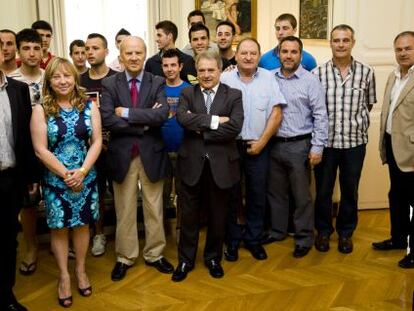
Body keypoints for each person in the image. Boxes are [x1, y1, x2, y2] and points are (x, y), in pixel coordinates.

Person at [100, 36, 174, 281]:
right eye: (128, 53)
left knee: (155, 208)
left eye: (138, 53)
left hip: (151, 155)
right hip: (123, 156)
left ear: (145, 55)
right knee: (125, 210)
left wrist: (129, 113)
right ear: (121, 56)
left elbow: (162, 114)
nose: (133, 57)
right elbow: (108, 119)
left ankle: (155, 254)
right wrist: (143, 124)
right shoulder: (110, 84)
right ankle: (125, 256)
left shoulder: (157, 82)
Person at [30, 57, 102, 307]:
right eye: (57, 76)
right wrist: (66, 174)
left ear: (75, 78)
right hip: (56, 181)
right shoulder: (41, 109)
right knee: (59, 229)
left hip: (85, 179)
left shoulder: (89, 105)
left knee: (82, 226)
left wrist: (81, 171)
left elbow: (97, 142)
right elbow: (40, 149)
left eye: (67, 75)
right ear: (49, 81)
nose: (63, 81)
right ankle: (63, 277)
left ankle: (81, 271)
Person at [172, 50, 244, 282]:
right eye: (201, 70)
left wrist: (199, 127)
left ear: (220, 71)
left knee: (218, 215)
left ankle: (213, 258)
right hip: (191, 164)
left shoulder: (233, 95)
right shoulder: (186, 93)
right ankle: (185, 260)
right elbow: (183, 119)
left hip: (221, 165)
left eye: (211, 70)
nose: (206, 74)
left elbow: (234, 128)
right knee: (189, 216)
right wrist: (215, 121)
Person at [312, 24, 377, 254]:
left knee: (350, 190)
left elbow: (368, 105)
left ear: (353, 43)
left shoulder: (366, 73)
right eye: (336, 40)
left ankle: (346, 234)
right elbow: (314, 109)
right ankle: (322, 231)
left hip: (354, 143)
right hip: (326, 144)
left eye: (345, 40)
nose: (341, 44)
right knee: (323, 191)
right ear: (330, 43)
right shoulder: (317, 73)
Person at [221, 38, 284, 262]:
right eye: (244, 53)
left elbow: (277, 113)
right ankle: (233, 240)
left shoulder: (269, 78)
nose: (248, 57)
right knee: (231, 195)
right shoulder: (224, 78)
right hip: (229, 146)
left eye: (253, 53)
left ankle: (254, 239)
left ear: (259, 56)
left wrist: (263, 142)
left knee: (257, 194)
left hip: (260, 144)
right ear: (236, 56)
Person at [267, 36, 328, 258]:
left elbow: (321, 115)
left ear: (301, 55)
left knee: (302, 196)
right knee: (276, 193)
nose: (289, 56)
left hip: (300, 146)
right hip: (274, 145)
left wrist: (317, 147)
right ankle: (277, 231)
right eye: (285, 51)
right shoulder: (271, 78)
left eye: (294, 52)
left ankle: (303, 238)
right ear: (279, 54)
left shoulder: (310, 81)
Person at [0, 39, 38, 311]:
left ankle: (6, 296)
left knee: (7, 241)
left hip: (10, 178)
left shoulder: (18, 90)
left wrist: (31, 177)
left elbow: (25, 136)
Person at [373, 31, 414, 269]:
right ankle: (398, 239)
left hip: (411, 149)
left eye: (408, 48)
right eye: (399, 49)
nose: (403, 53)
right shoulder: (393, 76)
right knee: (396, 195)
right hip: (392, 145)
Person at [8, 28, 44, 276]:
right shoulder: (10, 79)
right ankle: (31, 247)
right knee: (28, 202)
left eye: (37, 48)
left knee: (54, 195)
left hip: (52, 147)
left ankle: (60, 240)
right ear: (19, 51)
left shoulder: (50, 75)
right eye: (27, 48)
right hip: (25, 149)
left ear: (43, 51)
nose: (32, 53)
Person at [81, 33, 117, 257]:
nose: (90, 52)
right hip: (89, 149)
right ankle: (99, 234)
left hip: (116, 146)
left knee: (120, 192)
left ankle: (123, 232)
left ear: (106, 51)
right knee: (95, 193)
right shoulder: (79, 80)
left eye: (95, 48)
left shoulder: (117, 78)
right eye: (87, 48)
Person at [160, 48, 190, 238]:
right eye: (166, 65)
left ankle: (180, 228)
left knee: (183, 193)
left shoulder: (189, 89)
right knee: (161, 196)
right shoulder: (157, 88)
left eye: (173, 65)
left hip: (184, 150)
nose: (170, 69)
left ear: (180, 66)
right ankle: (162, 231)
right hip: (161, 151)